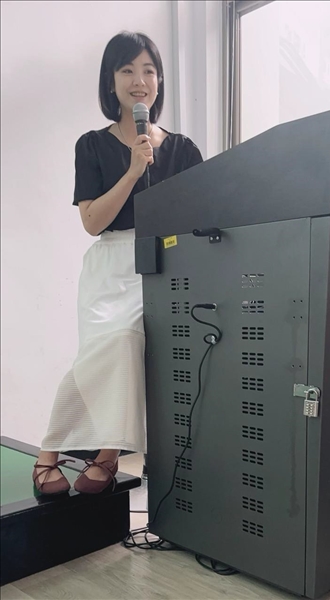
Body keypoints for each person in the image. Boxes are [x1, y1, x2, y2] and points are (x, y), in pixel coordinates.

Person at [32, 31, 203, 495]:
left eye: (148, 70)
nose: (139, 80)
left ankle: (105, 455)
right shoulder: (91, 145)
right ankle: (54, 447)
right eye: (127, 70)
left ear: (159, 80)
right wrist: (132, 171)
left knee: (128, 342)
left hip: (166, 265)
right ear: (111, 82)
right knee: (106, 348)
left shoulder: (184, 150)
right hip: (110, 265)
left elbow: (201, 214)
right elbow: (91, 222)